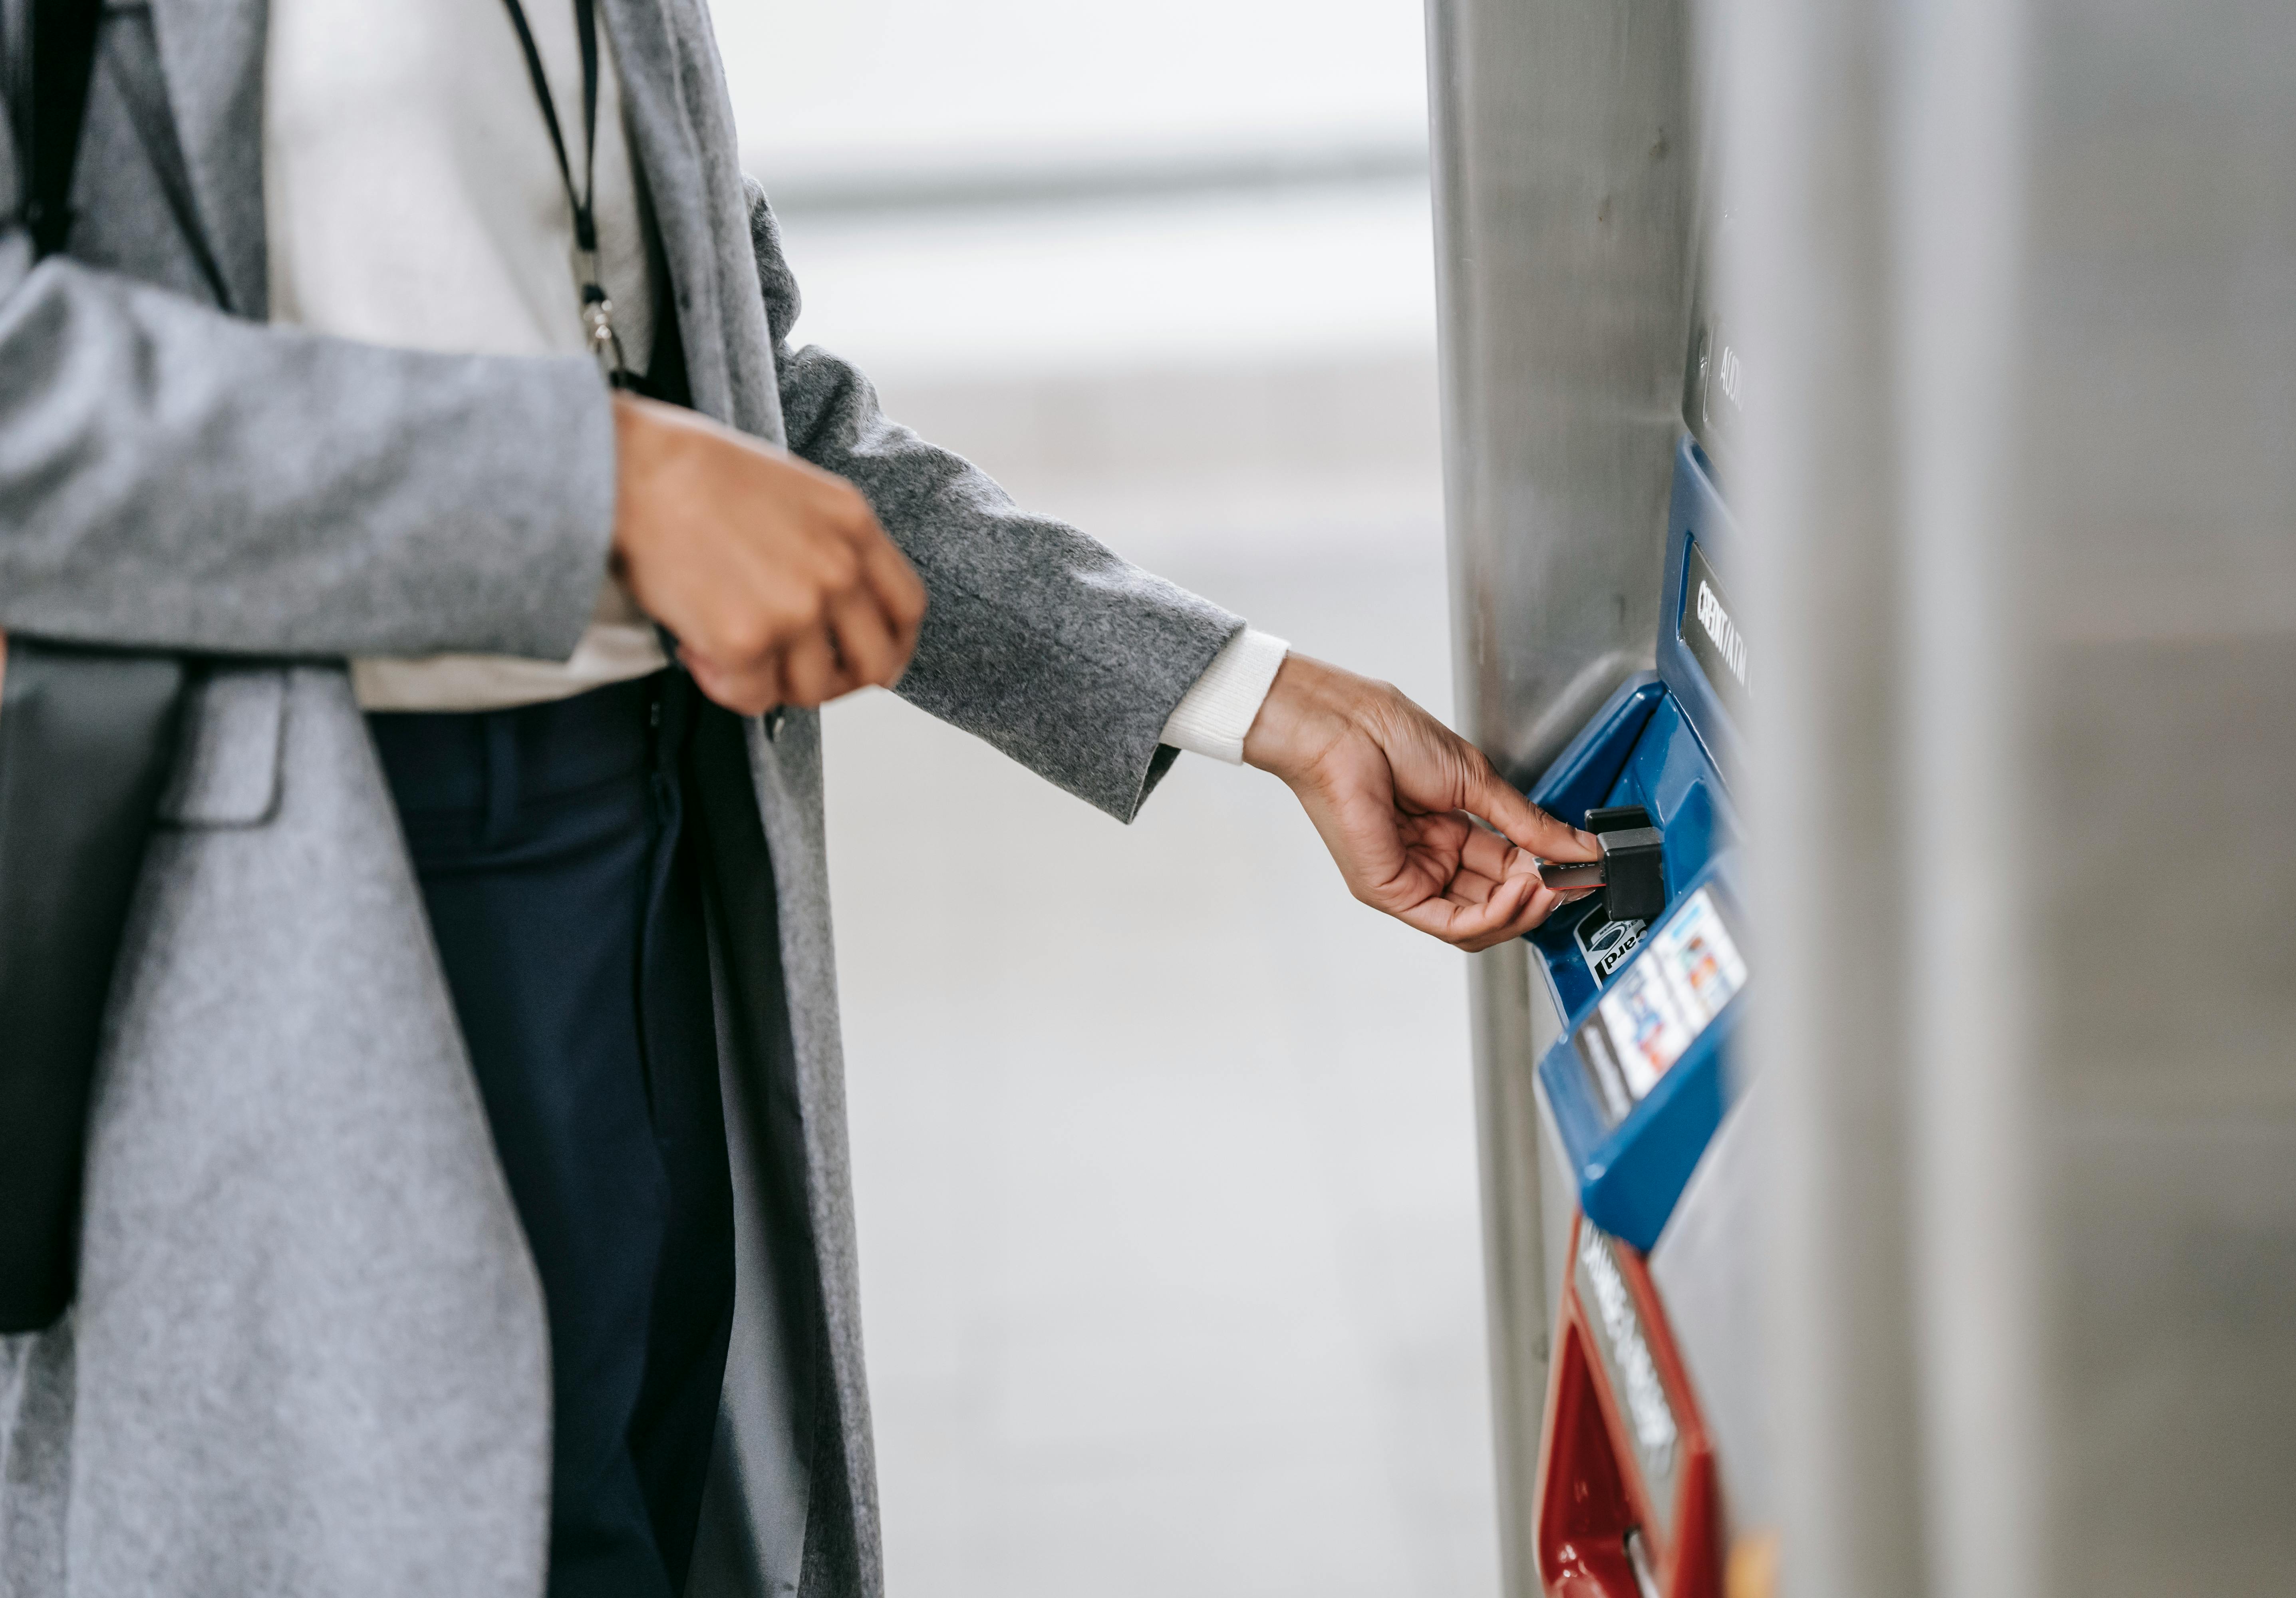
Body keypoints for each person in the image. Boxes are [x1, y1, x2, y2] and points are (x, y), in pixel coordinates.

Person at [0, 2, 1601, 1594]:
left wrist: (1253, 693)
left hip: (645, 848)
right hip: (298, 906)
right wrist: (599, 481)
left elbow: (756, 427)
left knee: (642, 1508)